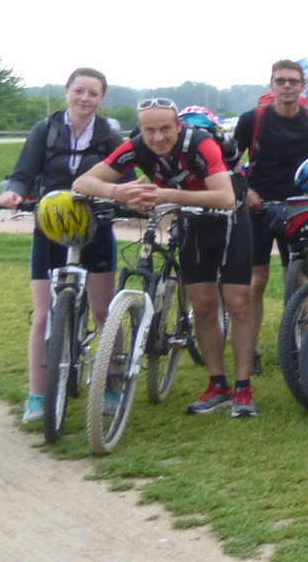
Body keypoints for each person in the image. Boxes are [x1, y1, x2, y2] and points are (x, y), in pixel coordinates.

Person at [74, 99, 261, 418]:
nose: (157, 137)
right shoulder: (134, 147)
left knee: (238, 303)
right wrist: (120, 192)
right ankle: (217, 385)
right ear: (140, 130)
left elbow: (226, 197)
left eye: (164, 128)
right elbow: (83, 182)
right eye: (149, 130)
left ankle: (243, 388)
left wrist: (166, 195)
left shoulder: (201, 145)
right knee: (202, 308)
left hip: (230, 221)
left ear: (178, 125)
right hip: (192, 222)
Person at [0, 67, 125, 424]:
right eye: (79, 91)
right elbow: (23, 173)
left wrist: (127, 195)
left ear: (101, 98)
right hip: (49, 228)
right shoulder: (45, 130)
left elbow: (124, 174)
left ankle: (112, 383)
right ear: (67, 91)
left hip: (96, 229)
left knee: (104, 314)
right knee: (43, 316)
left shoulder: (108, 136)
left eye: (93, 93)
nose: (85, 98)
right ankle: (37, 396)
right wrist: (13, 193)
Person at [234, 60, 308, 340]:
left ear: (303, 86)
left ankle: (302, 343)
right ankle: (251, 346)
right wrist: (247, 192)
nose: (287, 86)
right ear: (272, 85)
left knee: (298, 277)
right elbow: (229, 163)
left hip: (298, 206)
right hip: (258, 205)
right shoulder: (252, 119)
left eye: (293, 81)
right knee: (257, 281)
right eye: (281, 81)